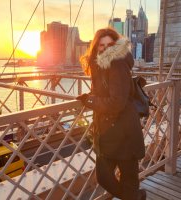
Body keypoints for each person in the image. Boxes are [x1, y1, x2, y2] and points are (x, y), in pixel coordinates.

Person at [76, 27, 146, 200]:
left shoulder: (117, 62)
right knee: (105, 178)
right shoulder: (99, 65)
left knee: (128, 180)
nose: (106, 48)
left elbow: (117, 102)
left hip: (125, 132)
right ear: (95, 47)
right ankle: (136, 197)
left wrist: (90, 101)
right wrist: (92, 98)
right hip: (109, 131)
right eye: (101, 45)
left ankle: (134, 196)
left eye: (110, 44)